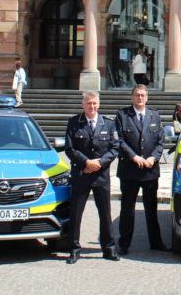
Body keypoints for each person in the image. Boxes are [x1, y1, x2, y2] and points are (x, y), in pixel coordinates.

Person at [63, 91, 121, 264]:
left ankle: (109, 248)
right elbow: (69, 148)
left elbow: (115, 147)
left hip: (101, 175)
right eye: (89, 103)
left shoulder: (109, 123)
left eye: (94, 103)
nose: (92, 106)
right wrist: (86, 163)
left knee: (105, 213)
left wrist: (100, 163)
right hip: (81, 174)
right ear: (83, 104)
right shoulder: (74, 122)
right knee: (76, 214)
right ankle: (74, 249)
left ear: (99, 104)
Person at [114, 84, 166, 254]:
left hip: (150, 170)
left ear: (147, 97)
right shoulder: (122, 115)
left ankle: (156, 242)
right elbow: (119, 141)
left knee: (151, 209)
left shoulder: (154, 115)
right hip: (130, 170)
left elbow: (160, 141)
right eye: (137, 95)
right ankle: (124, 244)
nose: (140, 98)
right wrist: (134, 157)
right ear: (132, 97)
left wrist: (153, 157)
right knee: (127, 210)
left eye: (143, 95)